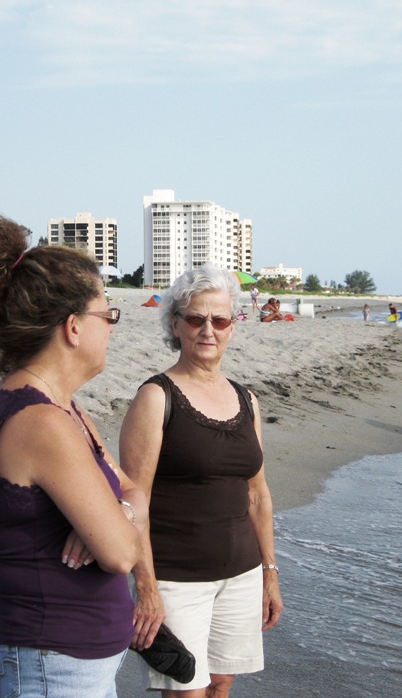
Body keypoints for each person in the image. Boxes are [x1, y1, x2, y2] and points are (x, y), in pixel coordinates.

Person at [0, 212, 146, 698]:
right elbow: (122, 553)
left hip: (74, 661)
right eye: (108, 316)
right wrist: (114, 521)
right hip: (52, 665)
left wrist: (115, 512)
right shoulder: (41, 422)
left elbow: (133, 490)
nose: (111, 328)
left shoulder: (64, 408)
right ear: (73, 327)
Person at [120, 265, 283, 698]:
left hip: (242, 574)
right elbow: (134, 501)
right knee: (186, 690)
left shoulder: (247, 399)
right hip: (177, 578)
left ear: (232, 326)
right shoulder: (156, 397)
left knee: (222, 683)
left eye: (220, 320)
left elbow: (258, 495)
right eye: (196, 319)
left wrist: (269, 573)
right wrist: (146, 586)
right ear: (175, 325)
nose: (208, 330)